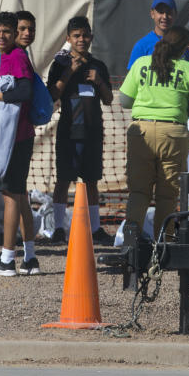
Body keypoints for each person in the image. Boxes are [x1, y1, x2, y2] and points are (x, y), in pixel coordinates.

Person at [119, 26, 189, 243]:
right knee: (167, 195)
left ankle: (131, 243)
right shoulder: (188, 69)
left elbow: (125, 100)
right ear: (184, 47)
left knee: (139, 192)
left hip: (142, 132)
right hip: (173, 134)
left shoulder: (141, 64)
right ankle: (164, 244)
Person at [0, 12, 40, 277]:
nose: (1, 36)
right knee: (20, 195)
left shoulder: (16, 57)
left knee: (10, 196)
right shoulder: (9, 57)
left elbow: (25, 92)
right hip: (19, 136)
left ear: (14, 33)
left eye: (6, 31)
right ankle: (31, 257)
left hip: (15, 138)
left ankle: (6, 260)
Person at [46, 16, 114, 245]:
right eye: (76, 36)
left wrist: (99, 82)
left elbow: (108, 99)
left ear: (91, 37)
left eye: (85, 35)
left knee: (92, 181)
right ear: (68, 38)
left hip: (93, 131)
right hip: (68, 131)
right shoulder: (60, 64)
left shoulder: (98, 66)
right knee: (63, 180)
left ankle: (95, 229)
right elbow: (52, 95)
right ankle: (58, 229)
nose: (81, 39)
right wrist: (68, 72)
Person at [127, 0, 189, 70]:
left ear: (175, 14)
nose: (165, 17)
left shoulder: (184, 43)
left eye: (169, 12)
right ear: (152, 14)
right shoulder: (142, 45)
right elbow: (132, 74)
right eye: (161, 12)